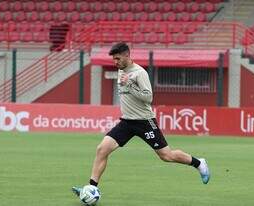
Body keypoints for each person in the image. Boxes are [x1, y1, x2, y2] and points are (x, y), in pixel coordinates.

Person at [72, 42, 210, 197]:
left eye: (117, 59)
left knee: (166, 156)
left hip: (145, 121)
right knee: (102, 149)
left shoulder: (139, 73)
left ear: (127, 55)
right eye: (113, 59)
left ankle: (199, 163)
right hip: (127, 122)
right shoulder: (121, 70)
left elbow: (148, 97)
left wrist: (130, 85)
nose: (115, 62)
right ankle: (91, 188)